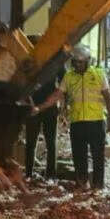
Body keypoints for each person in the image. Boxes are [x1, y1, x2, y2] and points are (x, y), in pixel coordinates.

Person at [33, 44, 110, 190]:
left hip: (97, 122)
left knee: (98, 156)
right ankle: (82, 184)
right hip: (77, 123)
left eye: (81, 62)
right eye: (75, 62)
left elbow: (108, 98)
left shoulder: (98, 74)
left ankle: (98, 186)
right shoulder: (69, 77)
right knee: (79, 156)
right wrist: (39, 108)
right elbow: (57, 95)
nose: (78, 65)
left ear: (88, 61)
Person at [24, 35, 64, 180]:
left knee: (50, 142)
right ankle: (29, 174)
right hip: (32, 106)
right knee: (31, 142)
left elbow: (64, 83)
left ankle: (50, 175)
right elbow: (21, 83)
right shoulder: (28, 63)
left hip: (49, 107)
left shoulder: (55, 62)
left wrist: (61, 102)